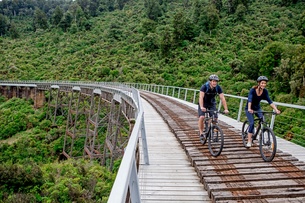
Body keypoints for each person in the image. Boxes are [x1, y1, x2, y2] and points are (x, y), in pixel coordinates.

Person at [245, 76, 281, 148]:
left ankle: (257, 133)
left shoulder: (265, 92)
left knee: (263, 120)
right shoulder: (252, 90)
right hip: (249, 108)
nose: (263, 85)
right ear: (259, 83)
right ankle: (249, 141)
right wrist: (249, 108)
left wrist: (276, 109)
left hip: (257, 108)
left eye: (265, 83)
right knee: (251, 123)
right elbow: (250, 100)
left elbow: (270, 101)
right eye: (262, 83)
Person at [198, 74, 229, 141]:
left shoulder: (218, 87)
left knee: (215, 118)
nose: (215, 83)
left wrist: (226, 109)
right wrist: (201, 107)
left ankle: (212, 131)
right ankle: (201, 133)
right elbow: (201, 97)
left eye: (216, 81)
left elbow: (222, 98)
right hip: (203, 103)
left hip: (212, 103)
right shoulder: (204, 87)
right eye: (213, 81)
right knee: (202, 117)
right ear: (210, 81)